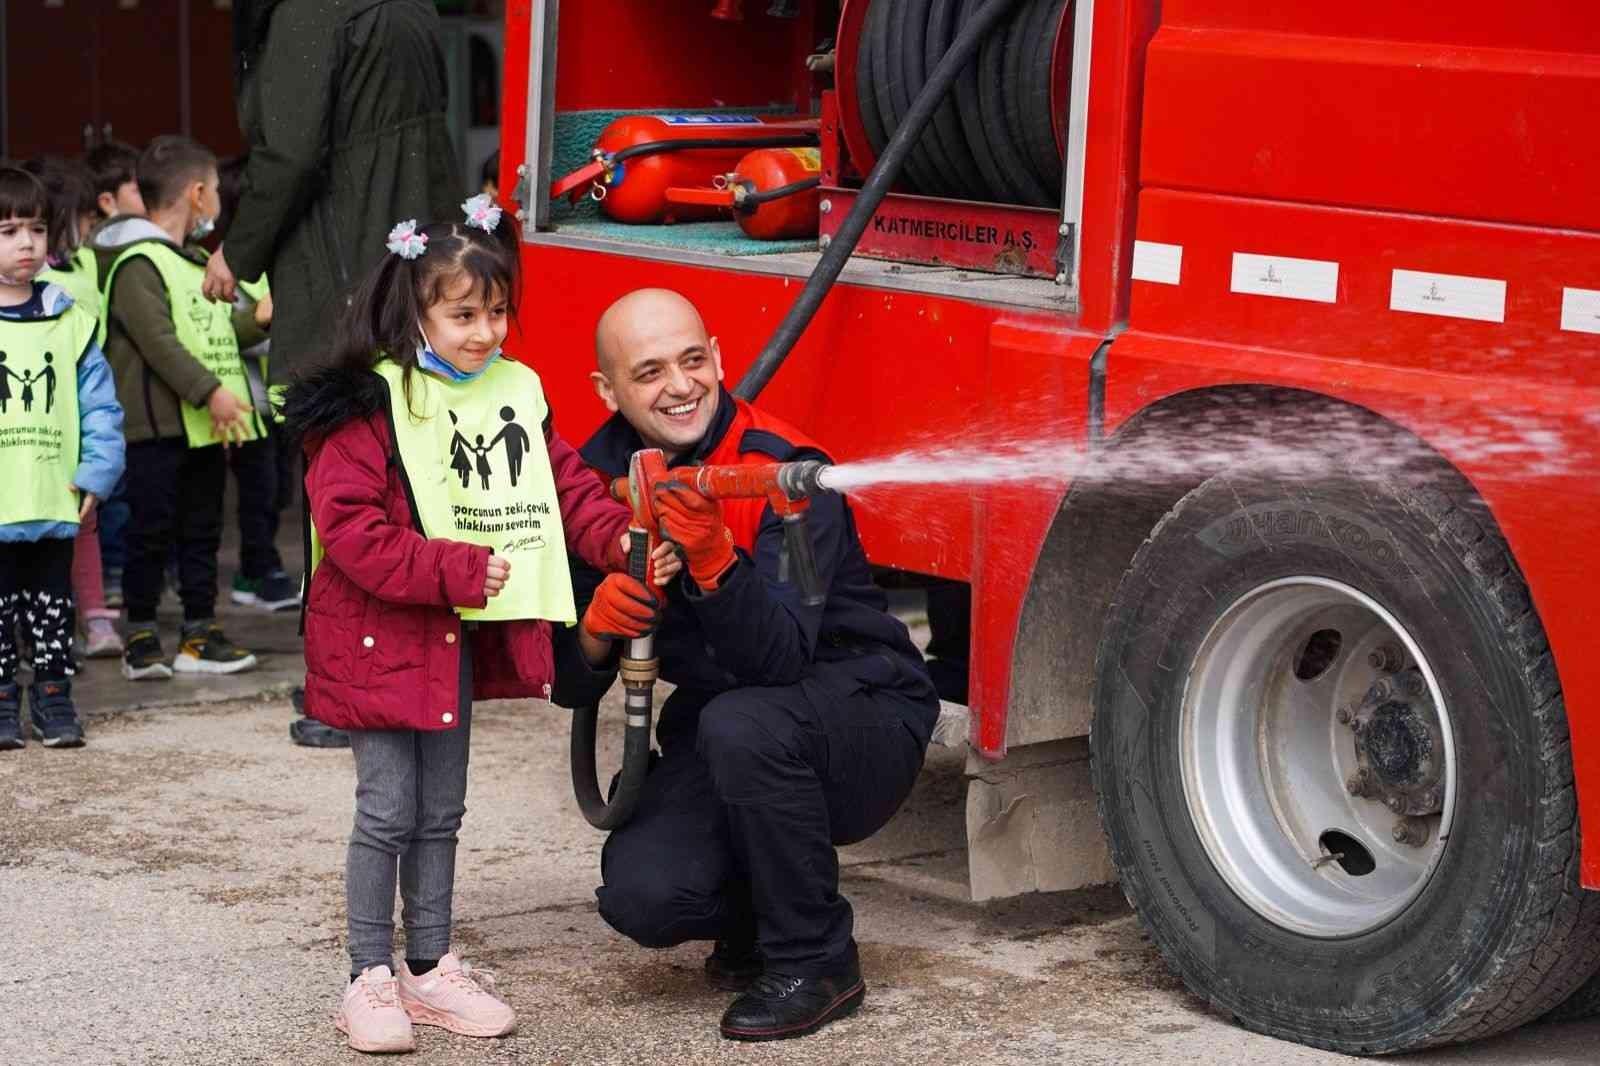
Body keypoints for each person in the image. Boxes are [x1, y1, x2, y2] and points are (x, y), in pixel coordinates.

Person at [281, 203, 661, 1054]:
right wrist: (451, 569)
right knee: (387, 809)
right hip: (378, 642)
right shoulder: (367, 404)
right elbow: (348, 532)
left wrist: (622, 542)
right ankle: (366, 977)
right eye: (463, 314)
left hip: (450, 638)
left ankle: (430, 966)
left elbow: (564, 489)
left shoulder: (517, 390)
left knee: (442, 809)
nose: (485, 332)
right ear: (414, 310)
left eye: (496, 312)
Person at [564, 288, 940, 1041]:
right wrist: (594, 635)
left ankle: (816, 961)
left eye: (693, 360)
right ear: (609, 391)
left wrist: (712, 560)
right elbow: (564, 683)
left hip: (859, 711)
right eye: (649, 372)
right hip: (730, 723)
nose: (679, 386)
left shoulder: (790, 475)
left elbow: (781, 657)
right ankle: (765, 915)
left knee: (742, 722)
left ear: (719, 359)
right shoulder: (590, 483)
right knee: (645, 896)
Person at [203, 0, 461, 388]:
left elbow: (291, 157)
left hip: (345, 277)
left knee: (339, 431)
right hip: (425, 258)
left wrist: (237, 251)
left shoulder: (307, 13)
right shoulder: (415, 6)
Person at [95, 136, 265, 680]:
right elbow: (160, 342)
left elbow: (210, 331)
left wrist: (257, 319)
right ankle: (141, 634)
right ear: (196, 194)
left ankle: (199, 633)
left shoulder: (192, 263)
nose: (217, 200)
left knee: (202, 531)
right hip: (157, 428)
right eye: (214, 190)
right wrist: (213, 392)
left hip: (203, 428)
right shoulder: (136, 264)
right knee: (150, 531)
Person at [0, 167, 125, 749]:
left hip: (56, 496)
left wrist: (96, 474)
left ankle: (53, 697)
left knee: (53, 606)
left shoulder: (70, 321)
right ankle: (2, 701)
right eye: (7, 230)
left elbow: (100, 406)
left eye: (35, 228)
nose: (26, 243)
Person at [27, 157, 123, 659]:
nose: (86, 232)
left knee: (82, 523)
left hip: (71, 423)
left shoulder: (82, 268)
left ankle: (91, 618)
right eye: (81, 223)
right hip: (23, 436)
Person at [213, 154, 299, 614]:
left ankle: (264, 565)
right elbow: (226, 332)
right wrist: (264, 317)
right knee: (257, 493)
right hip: (250, 405)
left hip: (282, 399)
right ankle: (255, 569)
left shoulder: (280, 258)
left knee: (279, 491)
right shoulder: (230, 266)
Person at [84, 140, 145, 611]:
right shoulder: (111, 254)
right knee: (112, 492)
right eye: (139, 188)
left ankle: (117, 573)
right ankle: (112, 575)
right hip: (109, 387)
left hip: (116, 392)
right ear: (107, 202)